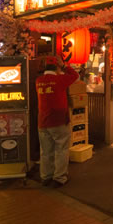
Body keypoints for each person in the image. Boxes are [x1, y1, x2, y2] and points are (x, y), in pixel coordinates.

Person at [35, 56, 79, 188]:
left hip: (43, 121)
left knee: (46, 151)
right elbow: (75, 75)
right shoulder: (60, 80)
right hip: (59, 120)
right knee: (61, 149)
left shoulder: (38, 80)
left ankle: (46, 177)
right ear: (57, 68)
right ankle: (59, 177)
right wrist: (65, 66)